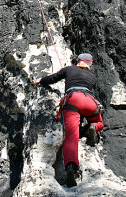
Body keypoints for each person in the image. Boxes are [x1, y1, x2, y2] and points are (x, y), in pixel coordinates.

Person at [34, 53, 104, 187]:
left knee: (71, 136)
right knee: (99, 122)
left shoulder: (69, 69)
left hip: (73, 100)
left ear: (79, 61)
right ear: (89, 64)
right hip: (89, 101)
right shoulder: (92, 77)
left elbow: (53, 78)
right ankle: (93, 127)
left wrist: (41, 80)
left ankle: (71, 167)